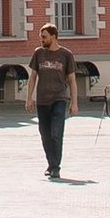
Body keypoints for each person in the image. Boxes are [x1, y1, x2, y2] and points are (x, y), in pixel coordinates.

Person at [29, 25, 77, 179]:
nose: (42, 40)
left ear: (53, 36)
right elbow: (33, 76)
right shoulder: (39, 54)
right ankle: (51, 163)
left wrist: (74, 103)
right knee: (45, 135)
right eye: (41, 37)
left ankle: (56, 167)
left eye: (44, 37)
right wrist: (29, 98)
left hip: (59, 99)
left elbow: (72, 80)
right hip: (43, 100)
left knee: (56, 133)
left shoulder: (66, 55)